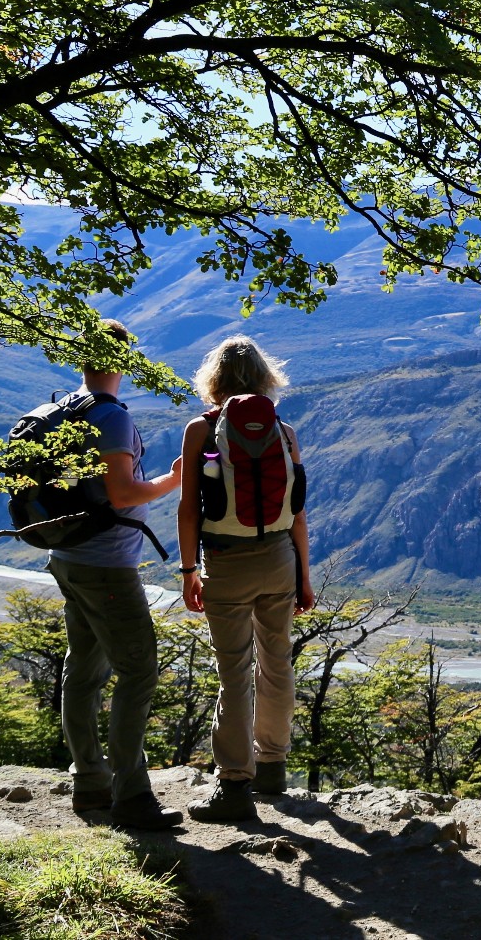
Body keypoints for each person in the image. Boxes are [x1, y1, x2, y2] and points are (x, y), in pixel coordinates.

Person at [45, 318, 184, 829]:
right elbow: (123, 493)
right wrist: (173, 478)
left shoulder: (57, 408)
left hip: (69, 559)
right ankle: (132, 796)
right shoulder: (111, 417)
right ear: (125, 360)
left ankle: (89, 784)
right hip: (107, 567)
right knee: (138, 670)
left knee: (84, 670)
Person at [176, 335, 315, 823]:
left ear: (213, 379)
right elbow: (296, 511)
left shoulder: (202, 428)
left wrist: (189, 569)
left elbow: (188, 507)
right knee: (276, 664)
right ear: (264, 377)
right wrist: (304, 575)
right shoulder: (285, 430)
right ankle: (273, 767)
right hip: (279, 557)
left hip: (226, 561)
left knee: (234, 672)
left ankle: (235, 785)